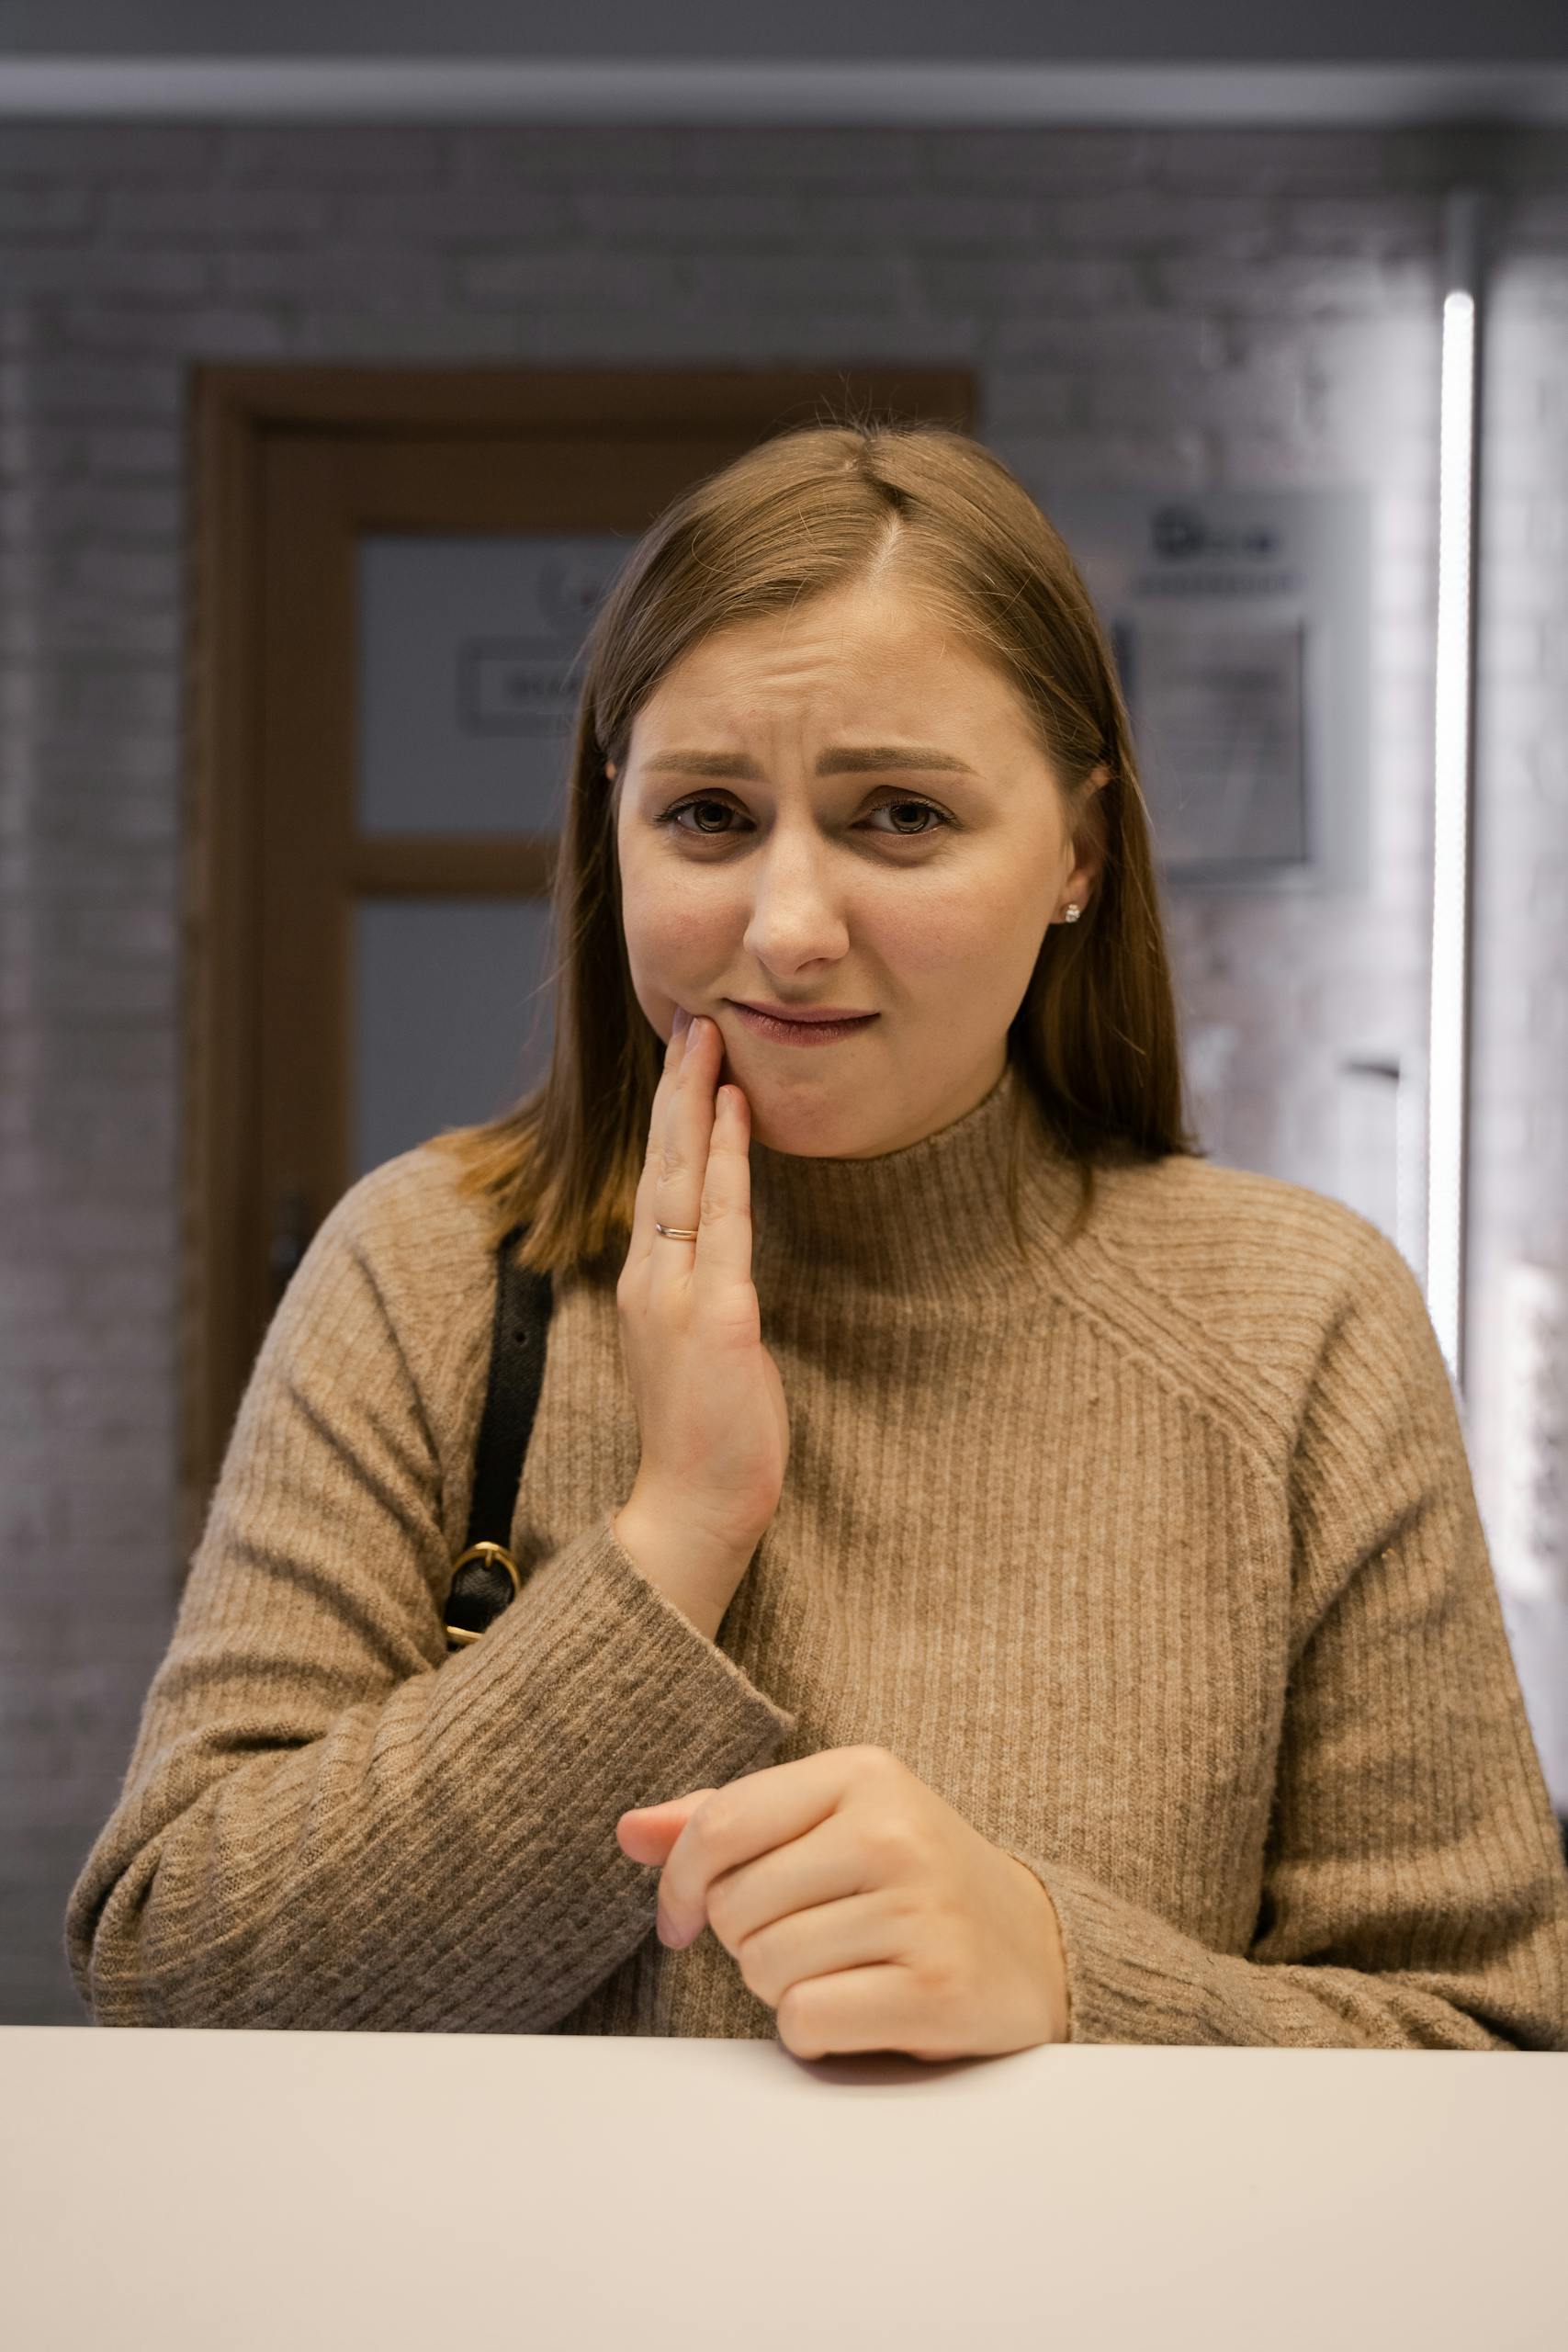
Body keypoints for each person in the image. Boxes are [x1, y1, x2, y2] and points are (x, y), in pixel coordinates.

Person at [65, 414, 1568, 2049]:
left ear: (1077, 850)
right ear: (613, 829)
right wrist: (674, 1540)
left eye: (901, 818)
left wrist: (1066, 1977)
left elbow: (1484, 2040)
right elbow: (173, 1976)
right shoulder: (427, 1269)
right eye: (707, 815)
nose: (785, 932)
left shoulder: (1302, 1325)